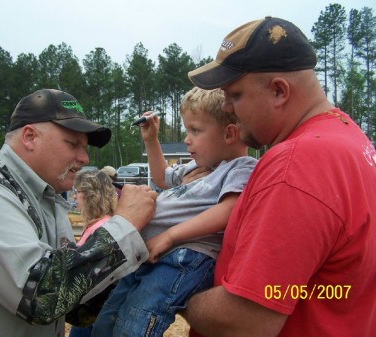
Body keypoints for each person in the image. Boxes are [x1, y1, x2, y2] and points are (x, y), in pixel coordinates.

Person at [182, 17, 376, 337]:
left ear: (278, 91)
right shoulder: (351, 141)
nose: (227, 107)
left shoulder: (297, 165)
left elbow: (246, 320)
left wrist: (171, 292)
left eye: (235, 94)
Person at [0, 88, 157, 337]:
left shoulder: (48, 200)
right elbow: (42, 298)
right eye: (73, 144)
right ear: (29, 137)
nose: (84, 157)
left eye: (85, 147)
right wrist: (124, 223)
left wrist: (139, 241)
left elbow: (74, 310)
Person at [92, 86, 257, 337]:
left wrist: (170, 236)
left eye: (195, 130)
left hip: (185, 256)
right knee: (108, 317)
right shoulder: (196, 166)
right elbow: (161, 178)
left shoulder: (241, 167)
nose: (186, 139)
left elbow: (229, 210)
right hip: (150, 252)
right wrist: (151, 139)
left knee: (137, 320)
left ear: (229, 134)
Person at [69, 169, 119, 337]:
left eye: (77, 191)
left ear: (91, 195)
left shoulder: (102, 228)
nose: (74, 196)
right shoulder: (99, 224)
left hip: (94, 311)